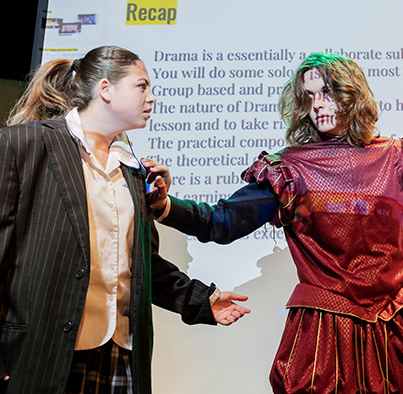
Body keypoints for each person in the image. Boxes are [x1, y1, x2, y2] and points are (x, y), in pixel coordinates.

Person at [148, 52, 403, 394]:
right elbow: (219, 223)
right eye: (310, 96)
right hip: (329, 337)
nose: (318, 104)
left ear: (352, 94)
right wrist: (164, 204)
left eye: (327, 92)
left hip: (398, 327)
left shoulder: (394, 158)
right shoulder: (289, 170)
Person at [0, 46, 250, 394]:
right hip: (44, 353)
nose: (152, 97)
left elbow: (142, 265)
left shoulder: (132, 170)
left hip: (121, 353)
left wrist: (202, 300)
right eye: (141, 86)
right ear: (105, 89)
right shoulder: (26, 144)